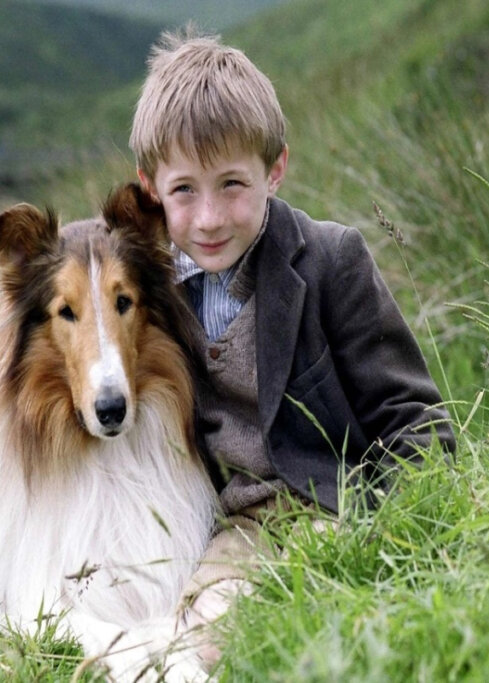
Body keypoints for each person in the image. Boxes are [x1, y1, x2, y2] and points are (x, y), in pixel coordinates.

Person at [129, 30, 456, 665]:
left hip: (324, 503)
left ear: (275, 170)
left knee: (253, 633)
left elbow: (411, 415)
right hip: (214, 523)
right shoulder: (148, 290)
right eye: (183, 191)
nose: (209, 218)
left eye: (232, 184)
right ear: (151, 191)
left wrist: (404, 522)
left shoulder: (332, 260)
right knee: (167, 632)